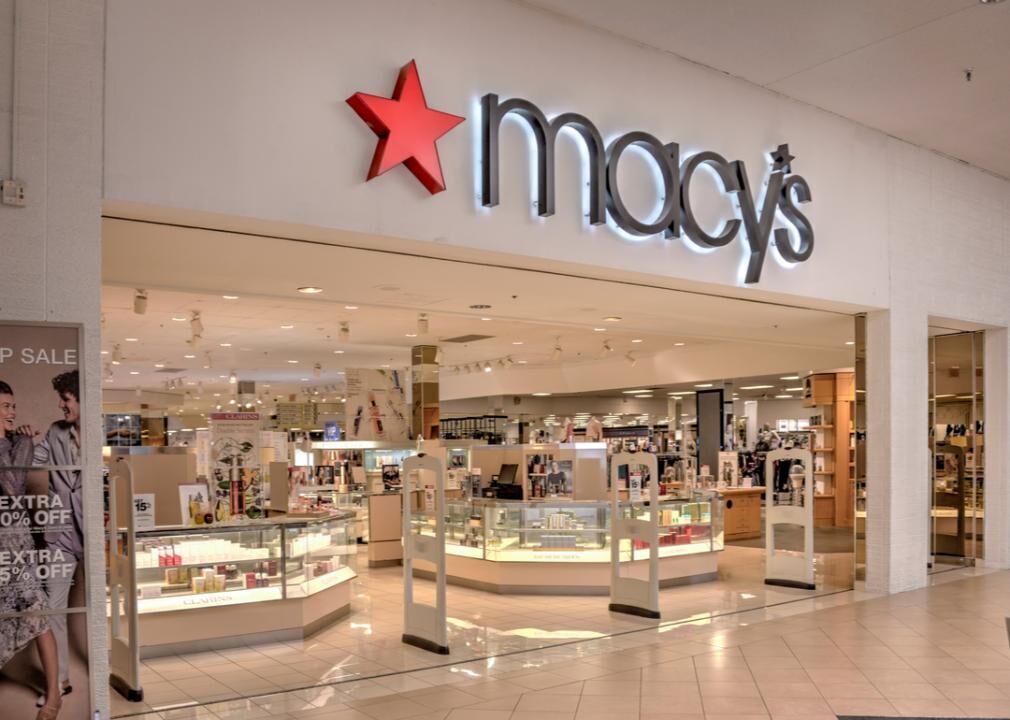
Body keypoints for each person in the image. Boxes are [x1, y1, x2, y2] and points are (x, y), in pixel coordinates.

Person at [0, 380, 63, 720]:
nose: (12, 411)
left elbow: (12, 487)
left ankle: (54, 696)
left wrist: (20, 440)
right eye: (5, 406)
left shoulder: (16, 442)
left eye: (13, 405)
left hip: (16, 545)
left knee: (37, 615)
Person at [27, 371, 82, 710]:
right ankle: (60, 680)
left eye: (67, 398)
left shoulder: (99, 431)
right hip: (60, 535)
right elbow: (30, 462)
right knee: (53, 607)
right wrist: (20, 439)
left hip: (93, 534)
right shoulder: (55, 431)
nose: (61, 405)